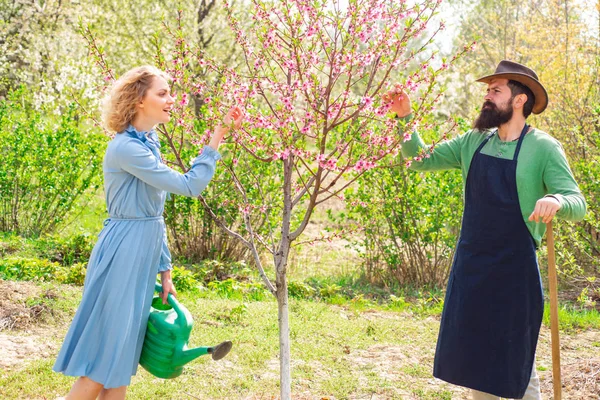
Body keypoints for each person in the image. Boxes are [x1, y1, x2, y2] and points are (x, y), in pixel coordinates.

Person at [385, 60, 586, 399]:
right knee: (477, 368)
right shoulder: (475, 140)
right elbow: (420, 160)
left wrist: (555, 199)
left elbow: (576, 202)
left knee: (515, 367)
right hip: (473, 270)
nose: (487, 96)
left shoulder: (543, 147)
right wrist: (405, 117)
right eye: (487, 90)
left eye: (496, 90)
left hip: (514, 274)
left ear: (519, 100)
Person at [53, 65, 244, 400]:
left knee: (121, 360)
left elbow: (153, 214)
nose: (172, 99)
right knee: (103, 361)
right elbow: (189, 185)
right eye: (162, 93)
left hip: (140, 252)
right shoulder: (127, 148)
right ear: (139, 100)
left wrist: (164, 269)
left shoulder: (148, 141)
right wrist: (218, 136)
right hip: (123, 255)